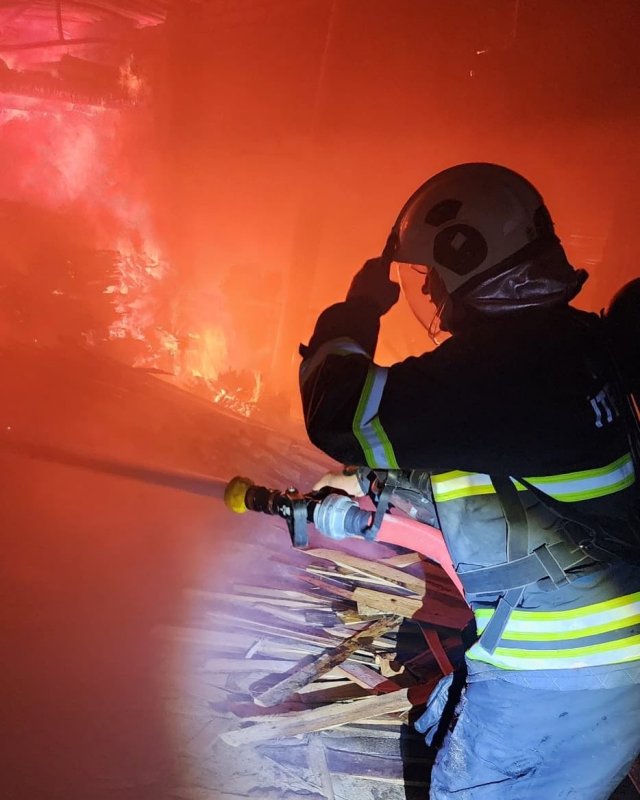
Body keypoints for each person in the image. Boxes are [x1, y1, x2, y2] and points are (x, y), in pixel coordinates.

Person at [298, 163, 640, 799]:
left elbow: (341, 415)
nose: (429, 295)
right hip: (614, 660)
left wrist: (357, 310)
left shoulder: (503, 365)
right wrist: (377, 498)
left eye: (430, 276)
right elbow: (510, 481)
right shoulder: (576, 341)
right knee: (442, 729)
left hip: (557, 672)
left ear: (468, 256)